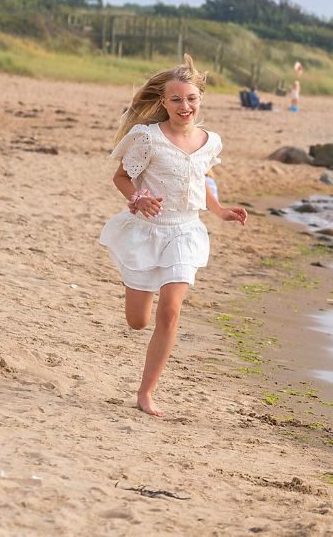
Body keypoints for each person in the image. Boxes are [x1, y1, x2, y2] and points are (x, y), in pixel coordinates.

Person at [99, 54, 248, 417]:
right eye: (177, 99)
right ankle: (138, 284)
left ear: (200, 99)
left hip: (185, 232)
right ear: (163, 102)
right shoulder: (147, 138)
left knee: (170, 312)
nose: (185, 106)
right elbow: (121, 177)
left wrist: (220, 209)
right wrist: (138, 197)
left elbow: (202, 181)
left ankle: (146, 392)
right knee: (138, 321)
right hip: (147, 232)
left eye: (191, 98)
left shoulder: (211, 141)